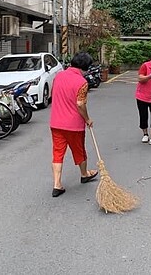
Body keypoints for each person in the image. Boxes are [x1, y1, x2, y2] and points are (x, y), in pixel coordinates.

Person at [49, 52, 98, 198]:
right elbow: (80, 104)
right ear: (85, 68)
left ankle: (57, 184)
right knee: (79, 150)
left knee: (58, 152)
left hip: (56, 122)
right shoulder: (81, 82)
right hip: (73, 124)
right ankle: (84, 174)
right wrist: (88, 119)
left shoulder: (59, 75)